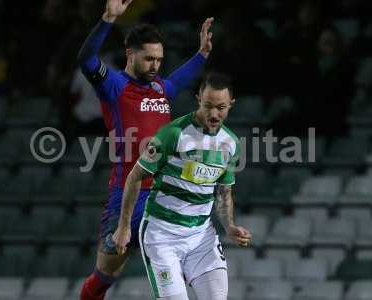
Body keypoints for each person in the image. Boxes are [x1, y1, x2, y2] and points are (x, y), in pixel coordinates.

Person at [77, 0, 214, 299]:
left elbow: (181, 77)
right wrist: (107, 20)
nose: (155, 65)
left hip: (165, 195)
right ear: (130, 54)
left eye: (159, 60)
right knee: (104, 275)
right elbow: (86, 59)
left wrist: (202, 54)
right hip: (128, 195)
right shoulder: (113, 85)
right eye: (149, 59)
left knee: (182, 273)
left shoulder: (161, 88)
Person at [113, 73, 252, 300]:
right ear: (198, 99)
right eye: (208, 106)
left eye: (221, 107)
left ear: (231, 105)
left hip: (201, 237)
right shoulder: (173, 134)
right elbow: (134, 177)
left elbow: (224, 193)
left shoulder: (231, 144)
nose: (214, 114)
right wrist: (124, 226)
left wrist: (229, 226)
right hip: (162, 236)